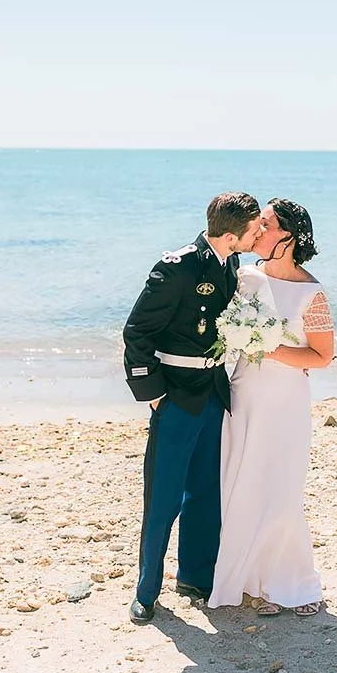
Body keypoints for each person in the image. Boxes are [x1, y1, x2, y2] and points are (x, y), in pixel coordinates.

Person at [122, 192, 265, 625]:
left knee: (205, 491)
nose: (258, 232)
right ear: (231, 233)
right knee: (163, 496)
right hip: (177, 394)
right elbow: (137, 332)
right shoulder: (177, 266)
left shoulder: (231, 264)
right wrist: (153, 394)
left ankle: (195, 577)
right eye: (255, 227)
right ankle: (147, 590)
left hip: (212, 391)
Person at [208, 198, 335, 617]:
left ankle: (288, 580)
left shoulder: (311, 293)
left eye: (265, 225)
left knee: (280, 488)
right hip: (243, 394)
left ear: (289, 237)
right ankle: (243, 578)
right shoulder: (245, 277)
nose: (256, 232)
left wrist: (271, 347)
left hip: (284, 403)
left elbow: (321, 357)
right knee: (240, 481)